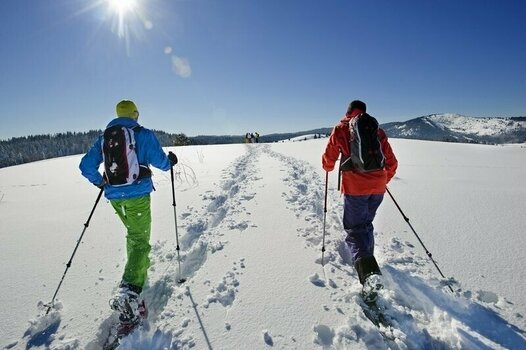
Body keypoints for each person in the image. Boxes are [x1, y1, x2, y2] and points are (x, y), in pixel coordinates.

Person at [79, 99, 178, 326]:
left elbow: (85, 166)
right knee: (140, 240)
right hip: (137, 197)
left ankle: (136, 270)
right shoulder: (142, 134)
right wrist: (170, 161)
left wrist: (101, 183)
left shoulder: (105, 137)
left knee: (133, 235)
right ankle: (129, 291)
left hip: (115, 198)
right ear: (135, 114)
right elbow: (162, 163)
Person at [322, 100, 397, 303]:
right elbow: (392, 162)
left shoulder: (340, 129)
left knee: (355, 228)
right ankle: (368, 257)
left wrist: (328, 167)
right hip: (378, 187)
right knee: (365, 223)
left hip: (356, 188)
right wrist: (382, 181)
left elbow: (328, 159)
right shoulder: (377, 131)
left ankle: (369, 274)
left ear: (347, 113)